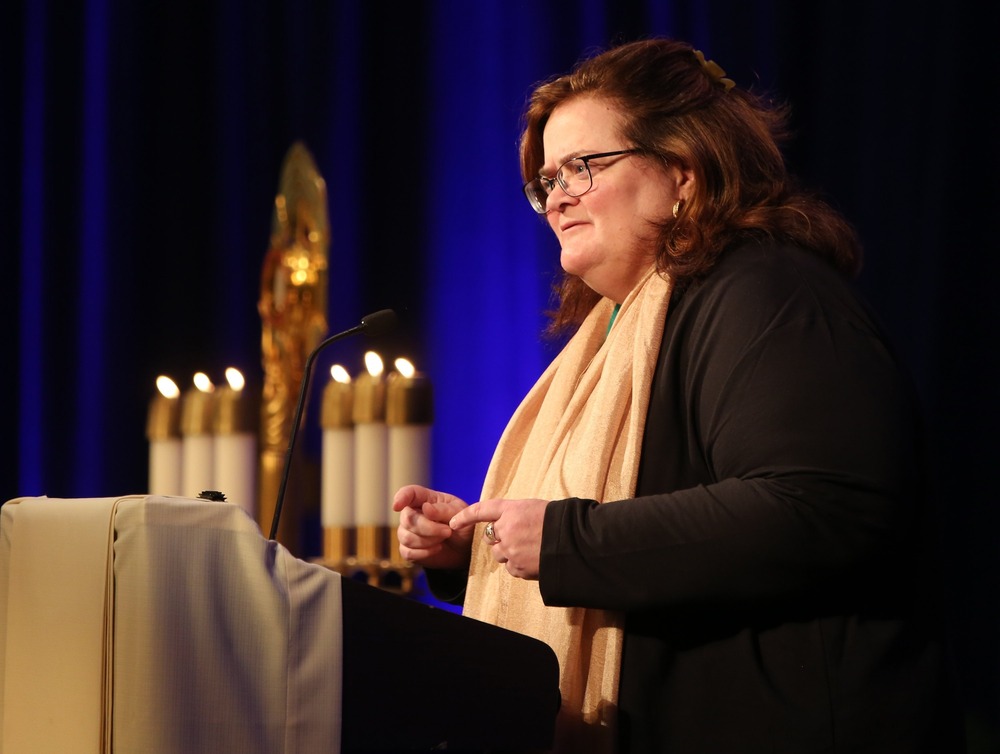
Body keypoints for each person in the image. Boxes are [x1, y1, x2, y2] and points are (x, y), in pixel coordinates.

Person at [393, 38, 962, 753]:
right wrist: (478, 548)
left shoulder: (765, 291)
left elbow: (823, 506)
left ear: (683, 171)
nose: (558, 197)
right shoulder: (613, 334)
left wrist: (569, 539)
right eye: (547, 180)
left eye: (583, 166)